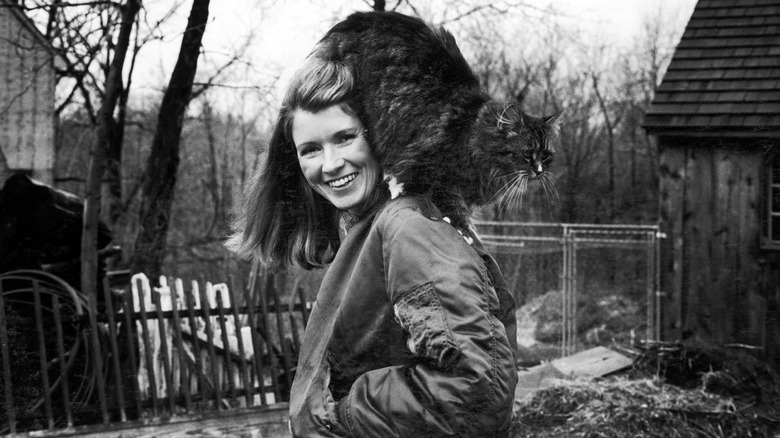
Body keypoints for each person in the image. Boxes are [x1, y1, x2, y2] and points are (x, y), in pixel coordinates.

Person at [228, 40, 518, 438]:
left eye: (345, 138)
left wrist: (340, 414)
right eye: (310, 149)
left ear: (381, 134)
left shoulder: (408, 226)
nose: (330, 165)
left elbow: (474, 393)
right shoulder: (373, 223)